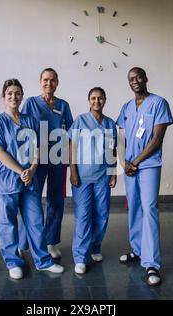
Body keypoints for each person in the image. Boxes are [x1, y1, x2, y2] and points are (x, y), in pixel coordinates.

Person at [0, 79, 64, 280]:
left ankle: (43, 261)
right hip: (8, 180)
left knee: (36, 221)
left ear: (22, 96)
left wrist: (33, 167)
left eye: (18, 93)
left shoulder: (30, 120)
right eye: (10, 93)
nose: (14, 96)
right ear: (4, 96)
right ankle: (13, 261)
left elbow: (38, 147)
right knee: (8, 222)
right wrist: (22, 171)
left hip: (30, 180)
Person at [116, 67, 173, 287]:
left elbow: (157, 139)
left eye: (139, 77)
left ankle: (152, 264)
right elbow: (120, 138)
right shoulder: (126, 107)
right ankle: (138, 250)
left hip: (148, 165)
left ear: (146, 78)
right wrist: (123, 162)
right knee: (135, 208)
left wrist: (136, 161)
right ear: (128, 82)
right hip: (130, 167)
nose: (135, 81)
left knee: (149, 209)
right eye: (131, 78)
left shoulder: (159, 103)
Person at [18, 68, 73, 258]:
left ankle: (50, 242)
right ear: (40, 81)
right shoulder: (31, 103)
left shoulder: (63, 105)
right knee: (31, 200)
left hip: (58, 159)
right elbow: (22, 128)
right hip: (36, 159)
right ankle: (23, 243)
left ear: (57, 82)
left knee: (56, 201)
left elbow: (70, 134)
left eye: (52, 80)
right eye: (45, 80)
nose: (49, 83)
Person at [68, 87, 117, 275]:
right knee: (83, 216)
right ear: (89, 101)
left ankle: (95, 247)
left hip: (103, 176)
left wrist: (113, 174)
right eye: (93, 98)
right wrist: (73, 171)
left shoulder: (110, 124)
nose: (97, 101)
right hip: (82, 176)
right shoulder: (80, 121)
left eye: (100, 98)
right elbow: (71, 146)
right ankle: (80, 257)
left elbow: (113, 151)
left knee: (102, 214)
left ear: (105, 100)